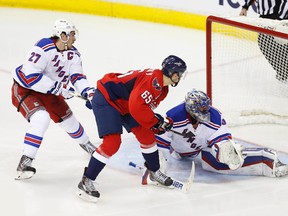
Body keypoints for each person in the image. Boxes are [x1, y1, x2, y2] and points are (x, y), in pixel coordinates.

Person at [76, 55, 187, 202]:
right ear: (173, 74)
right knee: (112, 143)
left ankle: (154, 172)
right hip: (108, 99)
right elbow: (137, 108)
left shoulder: (163, 88)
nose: (180, 77)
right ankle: (86, 180)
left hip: (125, 104)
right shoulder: (153, 82)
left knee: (147, 136)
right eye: (180, 74)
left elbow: (142, 107)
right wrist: (155, 122)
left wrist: (155, 123)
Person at [11, 19, 96, 180]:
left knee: (69, 120)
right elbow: (30, 77)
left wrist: (88, 91)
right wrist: (58, 88)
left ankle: (87, 145)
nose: (74, 37)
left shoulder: (74, 54)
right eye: (71, 34)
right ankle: (25, 162)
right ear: (62, 35)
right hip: (26, 90)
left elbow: (77, 76)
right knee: (41, 118)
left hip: (50, 92)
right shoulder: (43, 47)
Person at [156, 89, 288, 177]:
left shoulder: (215, 117)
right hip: (177, 153)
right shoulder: (173, 117)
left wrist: (226, 150)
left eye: (206, 107)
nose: (205, 110)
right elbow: (160, 142)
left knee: (219, 161)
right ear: (191, 107)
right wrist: (156, 165)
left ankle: (269, 161)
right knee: (160, 158)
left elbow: (221, 139)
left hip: (202, 147)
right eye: (202, 108)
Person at [239, 0, 288, 81]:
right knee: (265, 43)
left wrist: (279, 20)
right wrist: (245, 7)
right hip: (266, 17)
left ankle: (284, 73)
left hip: (276, 17)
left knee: (276, 45)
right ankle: (284, 73)